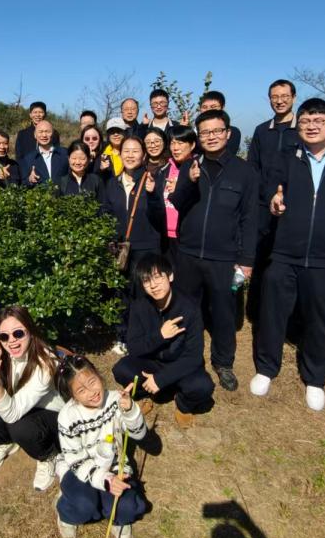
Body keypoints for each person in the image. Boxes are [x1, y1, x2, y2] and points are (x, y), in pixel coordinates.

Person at [253, 99, 325, 411]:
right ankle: (266, 367)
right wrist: (274, 201)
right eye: (305, 121)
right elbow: (269, 190)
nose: (312, 126)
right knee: (273, 313)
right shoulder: (285, 158)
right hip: (285, 252)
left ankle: (315, 377)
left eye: (319, 121)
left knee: (320, 319)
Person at [160, 109, 258, 392]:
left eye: (217, 131)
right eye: (205, 132)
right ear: (198, 137)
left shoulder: (245, 172)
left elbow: (250, 219)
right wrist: (189, 182)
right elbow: (176, 202)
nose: (211, 137)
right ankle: (184, 355)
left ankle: (223, 362)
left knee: (223, 313)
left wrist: (246, 260)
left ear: (227, 133)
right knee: (185, 309)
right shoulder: (190, 165)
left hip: (224, 258)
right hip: (188, 254)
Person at [111, 254, 215, 428]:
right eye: (146, 281)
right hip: (152, 363)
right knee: (121, 369)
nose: (153, 285)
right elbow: (134, 348)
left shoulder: (190, 308)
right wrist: (160, 336)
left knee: (203, 386)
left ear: (170, 276)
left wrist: (161, 379)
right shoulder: (139, 306)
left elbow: (194, 357)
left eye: (158, 277)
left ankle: (183, 404)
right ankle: (146, 395)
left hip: (181, 365)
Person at [55, 355, 148, 538]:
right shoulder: (67, 417)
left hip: (113, 465)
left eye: (92, 382)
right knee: (84, 506)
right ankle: (66, 512)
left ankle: (115, 515)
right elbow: (76, 461)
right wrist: (106, 480)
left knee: (127, 507)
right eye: (81, 390)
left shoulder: (115, 400)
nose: (92, 392)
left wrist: (130, 411)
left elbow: (139, 434)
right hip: (79, 470)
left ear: (98, 375)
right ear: (72, 395)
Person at [0, 305, 64, 491]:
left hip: (52, 416)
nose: (12, 342)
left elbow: (12, 415)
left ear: (30, 331)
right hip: (20, 407)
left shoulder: (45, 363)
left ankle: (48, 455)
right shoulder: (2, 355)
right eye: (4, 336)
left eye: (18, 333)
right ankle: (5, 442)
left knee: (19, 427)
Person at [246, 80, 300, 322]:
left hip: (292, 207)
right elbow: (253, 168)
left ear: (294, 98)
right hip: (262, 207)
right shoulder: (261, 131)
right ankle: (255, 311)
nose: (279, 101)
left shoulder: (303, 129)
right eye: (274, 96)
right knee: (260, 258)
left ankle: (286, 315)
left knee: (286, 263)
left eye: (284, 96)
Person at [102, 137, 162, 355]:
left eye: (135, 151)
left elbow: (160, 216)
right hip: (121, 249)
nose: (130, 155)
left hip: (146, 247)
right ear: (119, 154)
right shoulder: (113, 183)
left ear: (143, 155)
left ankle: (146, 335)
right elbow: (106, 213)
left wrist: (153, 194)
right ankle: (122, 335)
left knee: (145, 293)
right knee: (121, 293)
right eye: (126, 150)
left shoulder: (152, 179)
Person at [159, 124, 198, 262]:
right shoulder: (164, 169)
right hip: (164, 236)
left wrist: (181, 187)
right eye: (172, 143)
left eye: (180, 143)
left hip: (186, 236)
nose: (175, 148)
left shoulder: (197, 169)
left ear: (192, 145)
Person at [19, 120, 69, 186]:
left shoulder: (65, 153)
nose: (44, 135)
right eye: (40, 132)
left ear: (53, 134)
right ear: (35, 135)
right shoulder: (28, 159)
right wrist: (30, 180)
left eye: (47, 131)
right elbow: (23, 183)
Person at [198, 91, 242, 156]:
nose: (208, 110)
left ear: (222, 108)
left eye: (213, 107)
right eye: (204, 107)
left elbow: (228, 156)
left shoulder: (233, 132)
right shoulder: (193, 132)